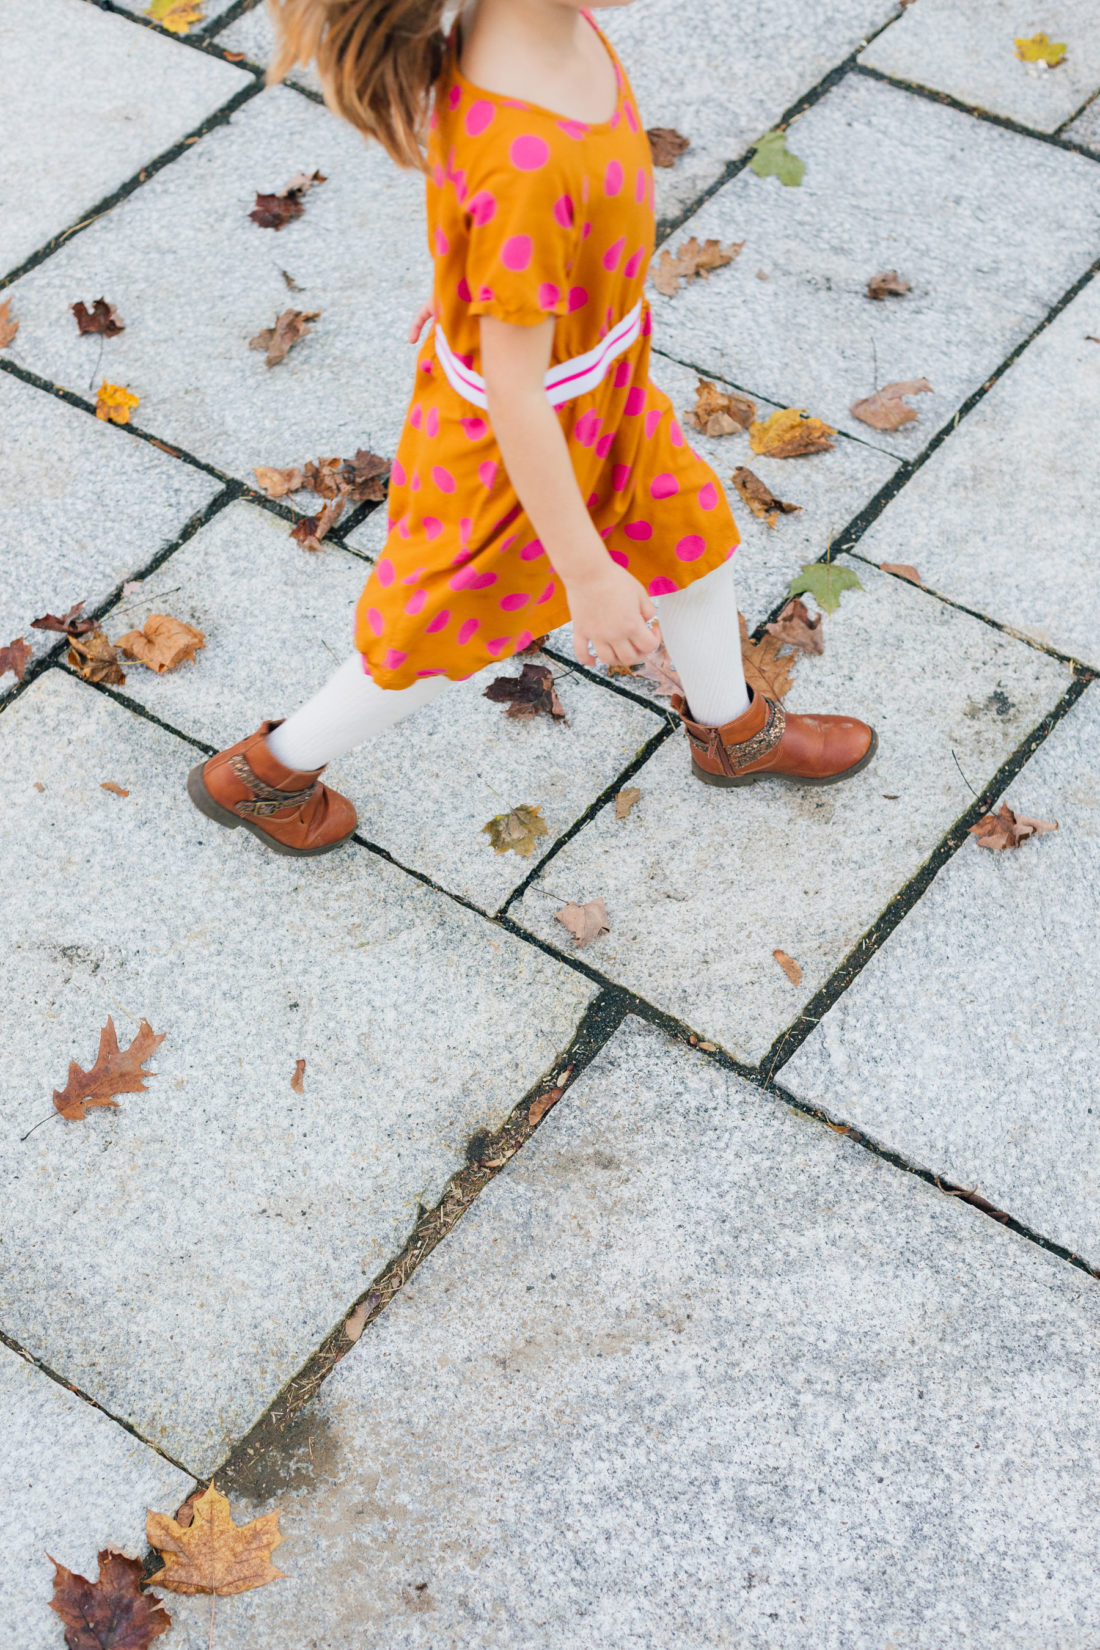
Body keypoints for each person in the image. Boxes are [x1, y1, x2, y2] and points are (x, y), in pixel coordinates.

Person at [188, 0, 876, 856]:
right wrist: (586, 573)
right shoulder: (532, 150)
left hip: (602, 392)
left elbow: (484, 220)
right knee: (437, 627)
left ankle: (735, 733)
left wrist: (470, 290)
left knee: (689, 537)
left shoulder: (536, 29)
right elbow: (517, 388)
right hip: (516, 446)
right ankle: (268, 773)